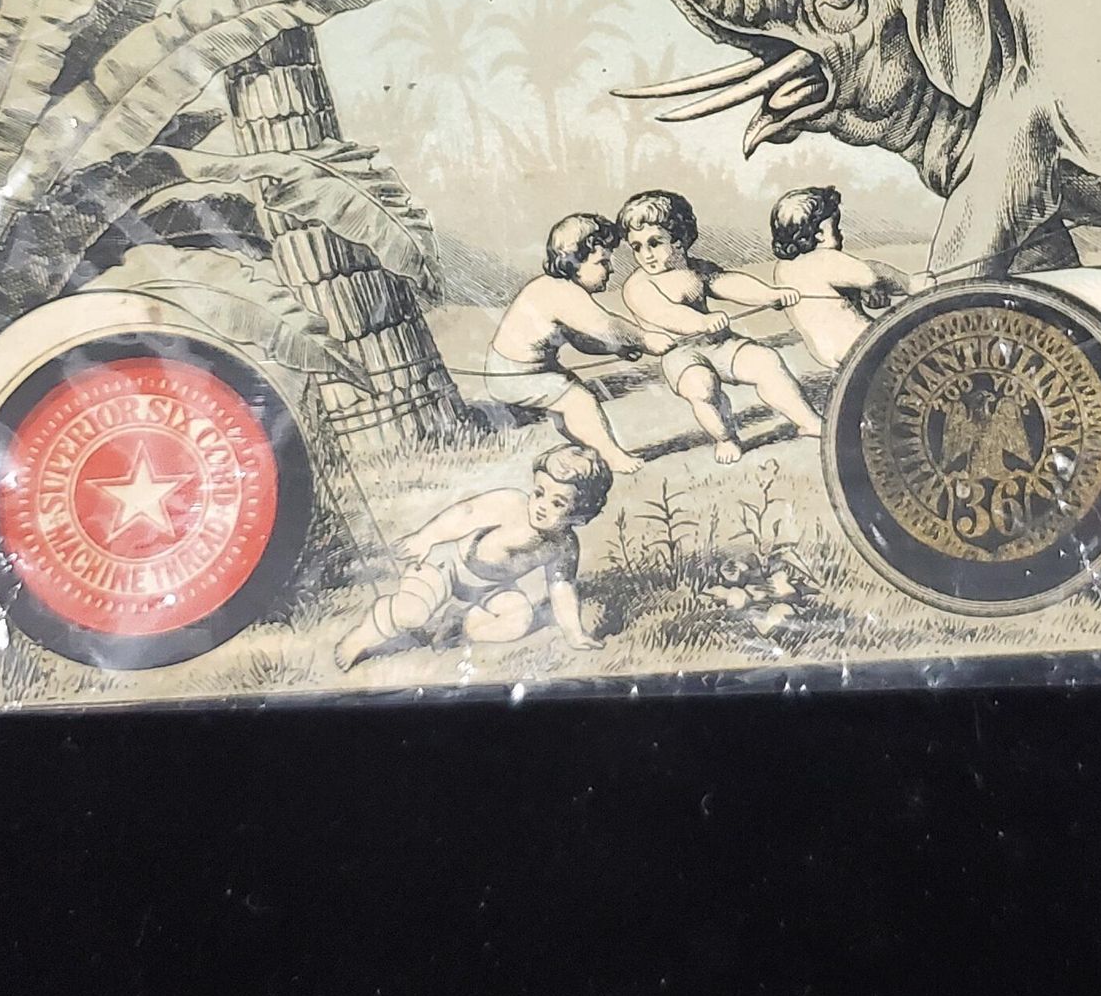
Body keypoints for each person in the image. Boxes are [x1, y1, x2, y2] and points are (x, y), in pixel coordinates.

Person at [334, 445, 613, 668]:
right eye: (539, 493)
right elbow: (465, 513)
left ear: (580, 516)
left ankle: (459, 627)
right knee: (412, 613)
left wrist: (574, 634)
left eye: (557, 503)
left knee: (519, 620)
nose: (541, 506)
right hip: (447, 566)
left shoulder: (564, 545)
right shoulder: (513, 504)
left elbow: (561, 587)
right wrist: (426, 537)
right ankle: (362, 636)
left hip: (492, 586)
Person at [618, 189, 822, 461]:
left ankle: (808, 421)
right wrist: (701, 321)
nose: (646, 255)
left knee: (766, 361)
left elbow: (728, 283)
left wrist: (770, 294)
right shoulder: (638, 286)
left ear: (679, 240)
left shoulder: (696, 269)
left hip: (719, 343)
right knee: (701, 387)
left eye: (654, 243)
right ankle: (725, 439)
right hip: (681, 355)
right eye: (637, 247)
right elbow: (664, 314)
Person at [483, 212, 663, 478]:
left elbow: (583, 341)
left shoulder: (560, 289)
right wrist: (646, 339)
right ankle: (611, 456)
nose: (610, 270)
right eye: (602, 262)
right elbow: (607, 326)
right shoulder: (561, 292)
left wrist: (618, 349)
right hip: (514, 374)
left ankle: (589, 452)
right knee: (579, 401)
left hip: (523, 369)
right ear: (574, 261)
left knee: (568, 405)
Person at [766, 185, 908, 370]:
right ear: (820, 235)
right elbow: (870, 275)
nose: (841, 234)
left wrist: (863, 294)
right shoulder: (822, 258)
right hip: (860, 343)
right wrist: (909, 283)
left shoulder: (782, 269)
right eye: (836, 228)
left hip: (829, 355)